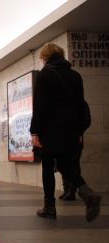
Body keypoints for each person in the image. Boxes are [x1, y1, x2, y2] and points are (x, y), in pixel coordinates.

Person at [30, 43, 101, 222]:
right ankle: (87, 193)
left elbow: (40, 106)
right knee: (65, 165)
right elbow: (80, 105)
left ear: (45, 57)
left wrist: (34, 131)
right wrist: (79, 131)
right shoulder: (75, 75)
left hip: (49, 129)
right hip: (71, 129)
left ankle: (49, 207)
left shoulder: (45, 75)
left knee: (48, 166)